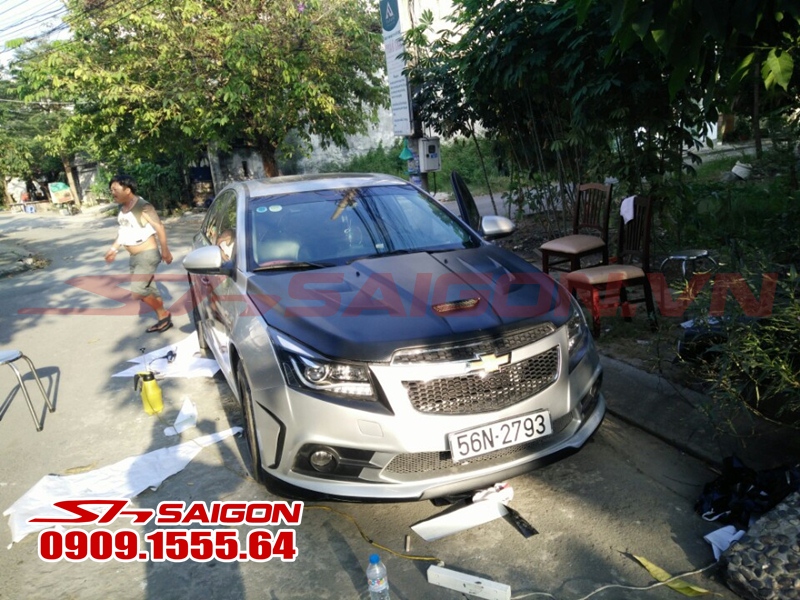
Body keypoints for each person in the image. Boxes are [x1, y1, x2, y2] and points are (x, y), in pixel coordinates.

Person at [104, 174, 174, 333]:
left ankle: (164, 313)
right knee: (150, 288)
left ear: (127, 190)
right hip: (135, 257)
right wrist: (114, 249)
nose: (112, 193)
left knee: (138, 290)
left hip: (147, 254)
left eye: (115, 189)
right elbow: (123, 232)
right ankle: (163, 319)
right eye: (111, 190)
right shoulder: (122, 208)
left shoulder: (143, 206)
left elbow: (159, 227)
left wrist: (165, 250)